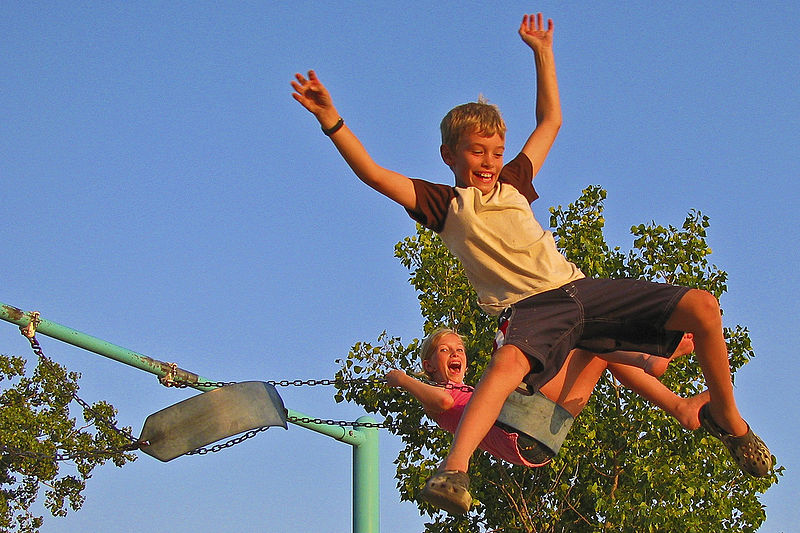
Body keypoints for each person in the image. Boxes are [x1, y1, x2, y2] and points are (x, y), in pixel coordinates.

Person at [292, 9, 772, 514]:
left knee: (702, 306)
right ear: (448, 156)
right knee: (506, 364)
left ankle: (730, 422)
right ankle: (455, 471)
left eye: (495, 152)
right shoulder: (445, 205)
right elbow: (371, 172)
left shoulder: (515, 182)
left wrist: (543, 54)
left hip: (578, 290)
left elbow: (551, 121)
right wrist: (331, 120)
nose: (488, 162)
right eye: (477, 152)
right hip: (530, 309)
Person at [386, 328, 707, 474]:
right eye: (445, 350)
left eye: (459, 350)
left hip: (540, 441)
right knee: (584, 339)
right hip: (518, 430)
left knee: (598, 353)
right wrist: (402, 380)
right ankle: (649, 360)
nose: (455, 354)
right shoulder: (437, 397)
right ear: (428, 365)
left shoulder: (474, 391)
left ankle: (680, 406)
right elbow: (441, 401)